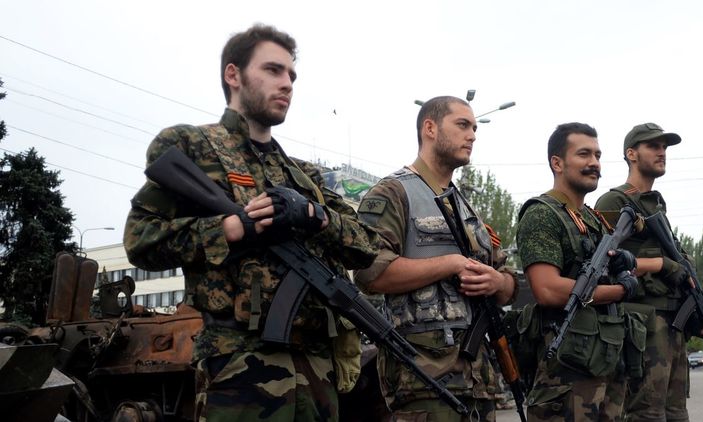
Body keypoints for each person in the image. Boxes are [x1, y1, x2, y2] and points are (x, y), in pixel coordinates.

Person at [123, 24, 379, 421]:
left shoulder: (303, 175)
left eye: (291, 75)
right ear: (234, 75)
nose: (287, 83)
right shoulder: (193, 147)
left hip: (316, 370)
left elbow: (366, 246)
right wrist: (231, 229)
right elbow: (140, 240)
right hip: (239, 368)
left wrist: (315, 216)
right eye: (273, 70)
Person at [354, 96, 518, 421]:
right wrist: (450, 264)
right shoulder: (393, 193)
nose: (472, 135)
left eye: (475, 128)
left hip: (478, 380)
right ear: (430, 128)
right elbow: (369, 272)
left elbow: (509, 280)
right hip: (423, 378)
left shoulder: (465, 208)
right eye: (463, 125)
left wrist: (498, 282)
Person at [515, 122, 640, 421]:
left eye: (597, 155)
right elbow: (547, 290)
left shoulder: (592, 219)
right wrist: (619, 291)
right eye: (584, 154)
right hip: (566, 371)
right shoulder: (542, 214)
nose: (594, 162)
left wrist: (624, 264)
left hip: (607, 360)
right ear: (557, 163)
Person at [595, 122, 703, 422]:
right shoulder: (615, 201)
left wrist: (702, 319)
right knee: (645, 414)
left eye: (664, 147)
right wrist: (661, 265)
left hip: (671, 327)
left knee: (676, 414)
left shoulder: (656, 208)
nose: (662, 152)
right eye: (653, 146)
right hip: (642, 327)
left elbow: (678, 269)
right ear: (631, 154)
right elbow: (604, 261)